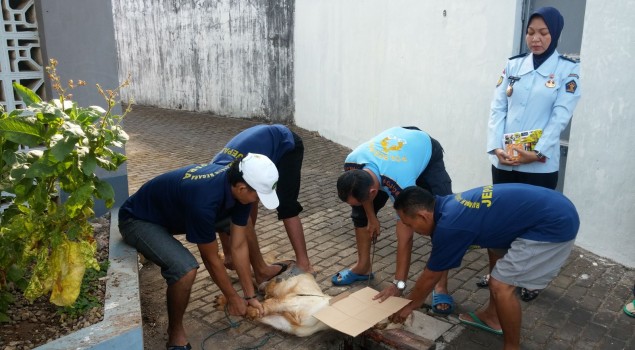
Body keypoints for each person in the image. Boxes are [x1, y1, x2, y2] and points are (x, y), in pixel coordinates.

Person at [118, 153, 286, 350]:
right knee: (185, 270)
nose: (257, 201)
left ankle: (157, 246)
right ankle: (175, 333)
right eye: (257, 196)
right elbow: (211, 258)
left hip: (171, 214)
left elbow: (239, 246)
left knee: (242, 224)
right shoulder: (204, 201)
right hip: (137, 220)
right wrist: (232, 297)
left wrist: (249, 296)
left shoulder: (240, 190)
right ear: (242, 188)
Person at [387, 184, 579, 350]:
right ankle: (492, 317)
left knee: (501, 286)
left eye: (409, 224)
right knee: (493, 246)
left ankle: (512, 346)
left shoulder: (450, 226)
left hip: (553, 223)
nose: (411, 230)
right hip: (551, 207)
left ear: (422, 215)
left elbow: (431, 275)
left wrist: (409, 304)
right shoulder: (446, 204)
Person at [484, 6, 581, 301]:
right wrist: (496, 147)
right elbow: (497, 109)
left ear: (555, 34)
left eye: (543, 32)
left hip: (539, 166)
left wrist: (535, 153)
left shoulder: (567, 69)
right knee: (501, 220)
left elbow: (560, 117)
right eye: (530, 32)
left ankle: (529, 281)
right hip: (505, 161)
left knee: (532, 226)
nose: (535, 38)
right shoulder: (514, 65)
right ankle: (499, 274)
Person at [333, 126, 456, 315]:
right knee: (360, 215)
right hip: (395, 150)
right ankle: (363, 267)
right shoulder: (351, 164)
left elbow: (405, 237)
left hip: (425, 148)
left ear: (373, 192)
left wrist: (398, 284)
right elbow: (362, 199)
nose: (357, 204)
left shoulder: (400, 183)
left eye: (362, 199)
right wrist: (372, 218)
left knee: (441, 217)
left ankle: (441, 286)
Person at [211, 124, 313, 274]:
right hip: (260, 142)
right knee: (246, 200)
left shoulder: (226, 180)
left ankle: (304, 264)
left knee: (286, 204)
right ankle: (245, 257)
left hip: (285, 142)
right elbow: (222, 218)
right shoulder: (217, 182)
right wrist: (228, 254)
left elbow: (232, 217)